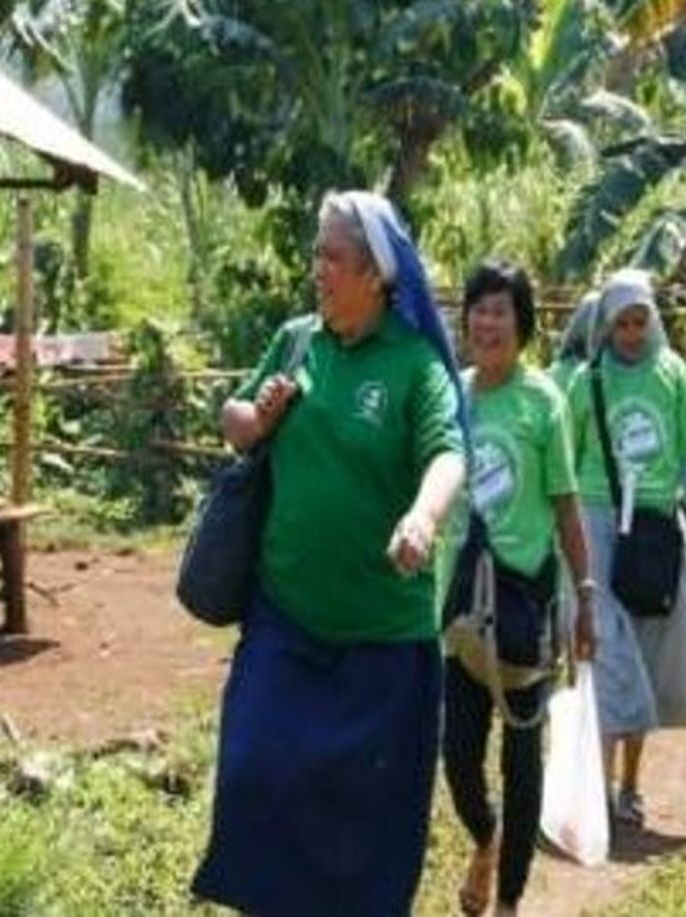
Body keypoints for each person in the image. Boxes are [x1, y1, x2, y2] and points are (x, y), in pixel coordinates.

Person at [193, 191, 467, 916]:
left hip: (383, 645)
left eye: (333, 257)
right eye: (317, 253)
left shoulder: (414, 366)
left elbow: (449, 453)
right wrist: (257, 416)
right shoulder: (295, 341)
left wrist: (421, 516)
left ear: (376, 275)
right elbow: (234, 417)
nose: (318, 269)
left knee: (365, 823)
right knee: (255, 773)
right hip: (286, 620)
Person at [441, 262, 596, 917]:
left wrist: (585, 594)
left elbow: (565, 506)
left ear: (522, 324)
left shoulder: (544, 401)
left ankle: (508, 900)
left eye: (501, 310)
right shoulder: (451, 394)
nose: (487, 321)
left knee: (523, 758)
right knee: (458, 758)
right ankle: (489, 836)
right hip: (457, 607)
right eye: (478, 308)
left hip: (523, 600)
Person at [569, 269, 686, 829]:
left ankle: (631, 783)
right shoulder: (586, 383)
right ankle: (602, 787)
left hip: (656, 528)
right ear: (606, 326)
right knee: (612, 654)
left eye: (641, 321)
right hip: (598, 520)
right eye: (622, 324)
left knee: (651, 654)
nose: (632, 333)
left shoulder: (672, 373)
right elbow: (566, 458)